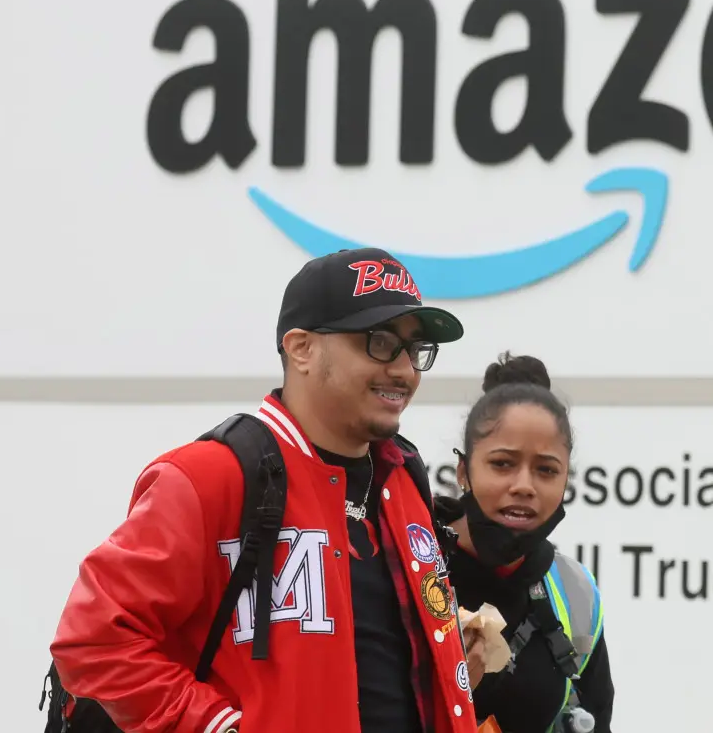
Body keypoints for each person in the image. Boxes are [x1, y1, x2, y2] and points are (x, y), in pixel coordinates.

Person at [48, 247, 481, 733]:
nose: (404, 370)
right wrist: (217, 726)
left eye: (415, 349)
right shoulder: (210, 475)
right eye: (379, 342)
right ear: (301, 348)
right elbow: (95, 639)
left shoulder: (403, 476)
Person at [435, 353, 616, 733]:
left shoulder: (574, 594)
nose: (524, 485)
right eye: (502, 463)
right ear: (464, 472)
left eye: (547, 470)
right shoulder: (404, 562)